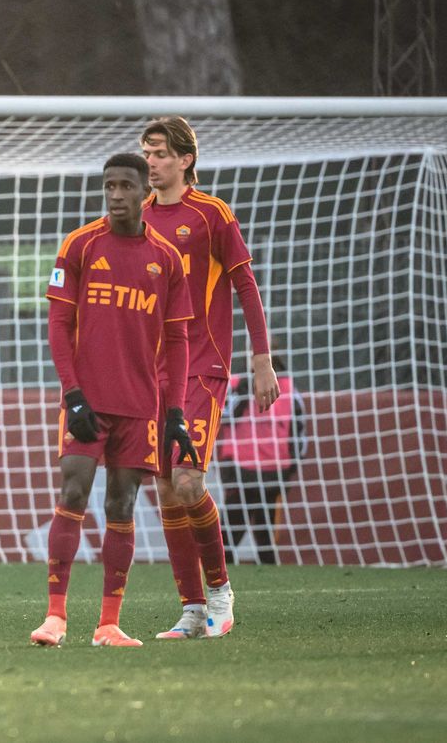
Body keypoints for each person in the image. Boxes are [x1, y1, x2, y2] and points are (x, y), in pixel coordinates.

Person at [30, 153, 195, 648]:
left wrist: (176, 413)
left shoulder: (166, 258)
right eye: (109, 186)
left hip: (140, 406)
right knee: (74, 491)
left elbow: (178, 342)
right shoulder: (81, 245)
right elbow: (59, 325)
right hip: (87, 402)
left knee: (122, 504)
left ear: (145, 190)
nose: (116, 194)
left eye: (126, 185)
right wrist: (72, 393)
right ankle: (55, 617)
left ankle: (108, 624)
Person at [140, 115, 279, 639]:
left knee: (188, 480)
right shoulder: (135, 217)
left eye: (160, 154)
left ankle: (221, 594)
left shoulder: (210, 214)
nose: (151, 162)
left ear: (185, 160)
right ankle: (192, 609)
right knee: (163, 487)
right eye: (147, 153)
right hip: (148, 372)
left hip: (202, 367)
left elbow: (245, 284)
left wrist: (260, 358)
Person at [219, 354, 306, 564]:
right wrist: (291, 466)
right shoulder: (290, 391)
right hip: (269, 470)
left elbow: (224, 414)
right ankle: (264, 567)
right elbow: (300, 434)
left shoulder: (243, 385)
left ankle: (220, 573)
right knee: (260, 528)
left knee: (233, 529)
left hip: (249, 469)